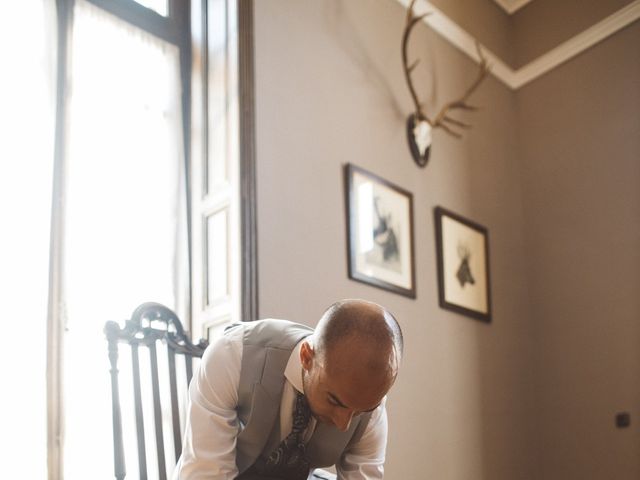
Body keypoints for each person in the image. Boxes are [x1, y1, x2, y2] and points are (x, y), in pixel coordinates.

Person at [173, 299, 403, 480]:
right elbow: (207, 474)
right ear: (306, 357)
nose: (344, 424)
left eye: (361, 410)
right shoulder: (232, 355)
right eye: (335, 401)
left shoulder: (372, 408)